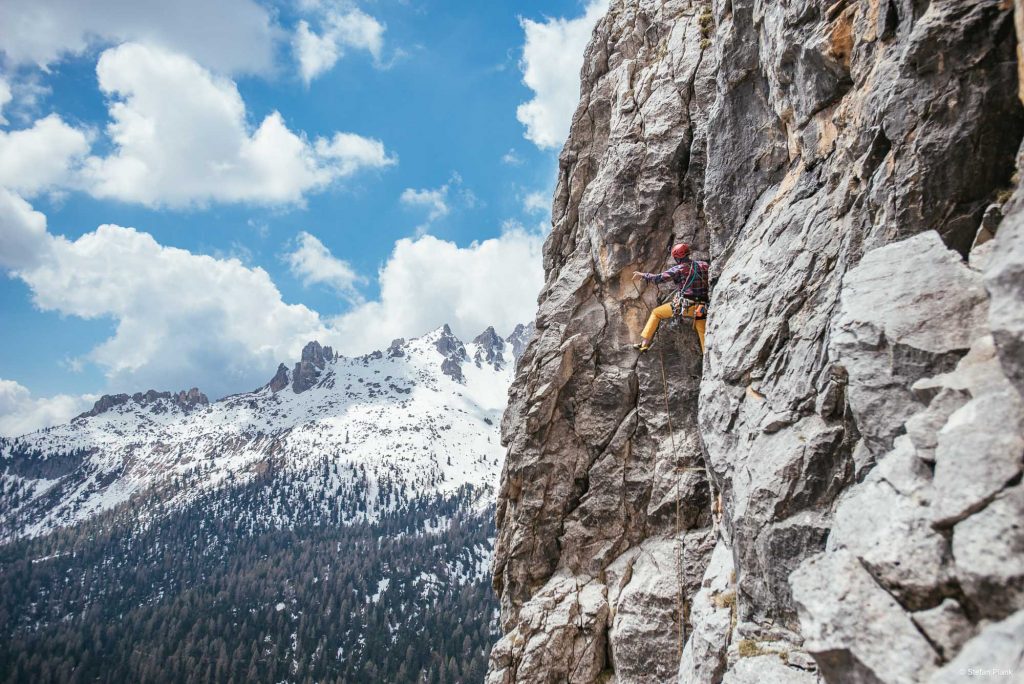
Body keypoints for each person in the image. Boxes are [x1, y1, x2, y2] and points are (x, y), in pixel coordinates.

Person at [631, 243, 710, 354]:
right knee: (702, 332)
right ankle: (708, 359)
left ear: (677, 257)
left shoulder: (679, 269)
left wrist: (643, 275)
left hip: (685, 306)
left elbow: (659, 278)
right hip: (701, 307)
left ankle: (644, 344)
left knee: (656, 313)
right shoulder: (704, 265)